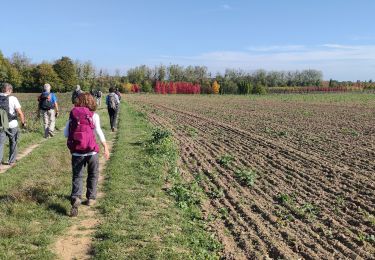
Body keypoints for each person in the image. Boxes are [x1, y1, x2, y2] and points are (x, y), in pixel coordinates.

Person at [64, 93, 109, 217]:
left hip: (77, 152)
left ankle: (76, 197)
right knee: (93, 174)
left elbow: (65, 133)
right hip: (92, 151)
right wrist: (105, 146)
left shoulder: (73, 114)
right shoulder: (94, 115)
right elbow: (98, 131)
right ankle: (91, 198)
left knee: (77, 176)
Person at [0, 83, 26, 166]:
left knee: (0, 144)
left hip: (1, 125)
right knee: (13, 142)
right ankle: (11, 161)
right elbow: (20, 113)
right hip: (12, 124)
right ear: (10, 90)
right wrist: (23, 123)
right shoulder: (13, 98)